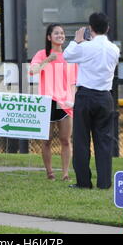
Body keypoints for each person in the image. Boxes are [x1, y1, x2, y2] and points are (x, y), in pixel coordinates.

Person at [63, 12, 120, 189]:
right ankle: (104, 183)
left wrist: (77, 40)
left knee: (81, 140)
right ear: (108, 28)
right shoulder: (114, 49)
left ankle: (83, 182)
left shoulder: (86, 47)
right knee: (104, 141)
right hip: (105, 97)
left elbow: (67, 56)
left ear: (90, 28)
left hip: (86, 95)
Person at [29, 23, 78, 181]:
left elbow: (73, 82)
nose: (60, 36)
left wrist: (72, 99)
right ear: (49, 37)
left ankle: (65, 174)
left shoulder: (69, 56)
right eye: (56, 33)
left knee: (65, 139)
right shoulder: (42, 54)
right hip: (47, 102)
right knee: (47, 140)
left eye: (62, 33)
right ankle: (49, 173)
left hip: (65, 103)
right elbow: (32, 71)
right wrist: (48, 60)